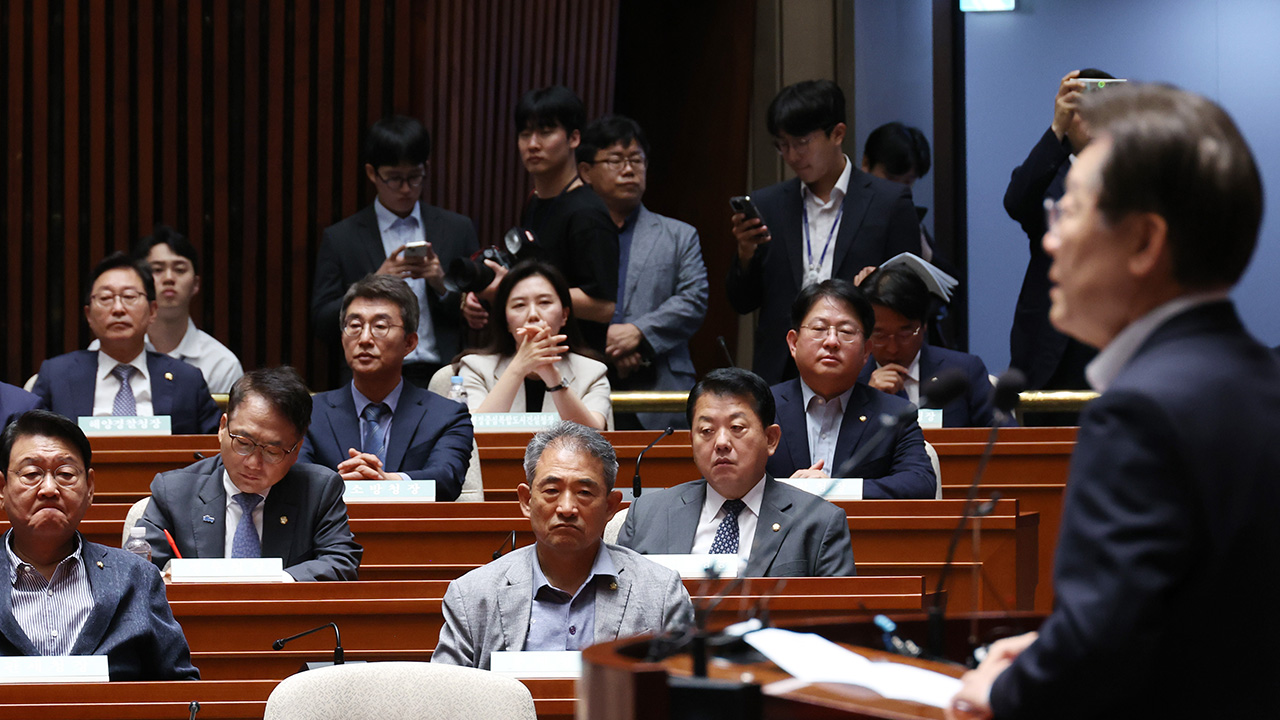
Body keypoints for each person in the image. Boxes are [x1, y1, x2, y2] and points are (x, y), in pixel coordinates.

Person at [948, 84, 1280, 720]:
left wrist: (1008, 690)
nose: (1050, 240)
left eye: (1069, 210)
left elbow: (1101, 651)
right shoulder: (1258, 379)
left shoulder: (1139, 415)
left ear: (1144, 243)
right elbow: (1209, 615)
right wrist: (1051, 648)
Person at [432, 421, 693, 670]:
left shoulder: (660, 591)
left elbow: (687, 690)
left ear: (610, 506)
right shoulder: (473, 596)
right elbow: (447, 695)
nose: (567, 508)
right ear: (526, 501)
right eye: (552, 490)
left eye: (584, 493)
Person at [727, 80, 919, 384]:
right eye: (782, 145)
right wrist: (745, 254)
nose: (792, 155)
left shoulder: (889, 202)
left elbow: (912, 298)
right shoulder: (769, 205)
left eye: (802, 143)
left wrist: (879, 285)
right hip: (782, 370)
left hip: (858, 367)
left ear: (838, 134)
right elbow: (743, 303)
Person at [0, 410, 198, 680]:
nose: (49, 488)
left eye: (65, 473)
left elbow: (180, 688)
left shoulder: (136, 577)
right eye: (32, 473)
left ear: (90, 488)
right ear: (3, 488)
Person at [618, 368, 855, 576]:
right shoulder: (646, 516)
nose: (721, 442)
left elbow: (836, 611)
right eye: (707, 430)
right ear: (692, 442)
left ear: (771, 439)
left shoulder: (819, 522)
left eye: (737, 427)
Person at [137, 367, 362, 581]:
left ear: (296, 450)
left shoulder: (318, 491)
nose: (254, 463)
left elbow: (340, 561)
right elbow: (136, 567)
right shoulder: (175, 491)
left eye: (272, 451)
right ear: (222, 428)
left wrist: (277, 582)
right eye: (243, 443)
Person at [312, 115, 480, 387]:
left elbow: (479, 314)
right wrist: (372, 283)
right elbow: (322, 322)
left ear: (425, 168)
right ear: (372, 173)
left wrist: (442, 283)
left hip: (443, 373)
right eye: (394, 178)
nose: (405, 189)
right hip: (369, 375)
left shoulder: (457, 228)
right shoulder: (341, 238)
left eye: (414, 177)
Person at [462, 86, 619, 355]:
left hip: (575, 358)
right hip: (533, 352)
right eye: (525, 134)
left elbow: (603, 307)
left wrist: (512, 290)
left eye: (545, 132)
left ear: (574, 138)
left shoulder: (587, 213)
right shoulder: (535, 200)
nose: (533, 144)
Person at [576, 114, 708, 430]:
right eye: (615, 160)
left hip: (661, 386)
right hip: (582, 382)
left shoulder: (679, 235)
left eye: (636, 160)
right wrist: (606, 341)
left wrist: (638, 333)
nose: (629, 169)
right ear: (586, 172)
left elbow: (694, 299)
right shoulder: (573, 236)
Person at [300, 275, 473, 501]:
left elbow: (446, 479)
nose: (364, 339)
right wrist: (338, 486)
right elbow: (295, 477)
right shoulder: (308, 413)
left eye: (380, 326)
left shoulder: (447, 416)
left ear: (409, 343)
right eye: (355, 326)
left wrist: (388, 483)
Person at [766, 280, 935, 497]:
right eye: (819, 329)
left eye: (846, 331)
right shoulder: (762, 408)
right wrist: (786, 492)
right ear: (793, 343)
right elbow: (735, 481)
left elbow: (920, 484)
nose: (832, 341)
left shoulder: (896, 414)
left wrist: (835, 489)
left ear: (866, 351)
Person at [1003, 69, 1114, 396]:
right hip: (1050, 343)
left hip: (1113, 335)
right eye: (1081, 108)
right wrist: (1056, 128)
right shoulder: (1046, 172)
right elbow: (1015, 203)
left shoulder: (1135, 175)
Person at [32, 253, 220, 434]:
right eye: (105, 298)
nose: (118, 309)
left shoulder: (187, 380)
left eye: (129, 297)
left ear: (153, 310)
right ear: (88, 315)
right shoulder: (56, 376)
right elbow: (30, 441)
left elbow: (215, 446)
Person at [457, 261, 611, 431]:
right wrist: (519, 367)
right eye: (519, 305)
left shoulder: (592, 372)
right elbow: (473, 435)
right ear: (506, 321)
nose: (533, 315)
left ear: (564, 315)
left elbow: (594, 436)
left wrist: (554, 380)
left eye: (544, 303)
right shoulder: (475, 368)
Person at [88, 226, 243, 393]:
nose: (169, 278)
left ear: (196, 284)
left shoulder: (221, 364)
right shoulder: (103, 350)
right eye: (157, 269)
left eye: (180, 270)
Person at [858, 265, 1004, 428]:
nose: (893, 348)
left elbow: (1007, 436)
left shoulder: (964, 372)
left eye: (905, 333)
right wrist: (870, 401)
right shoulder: (851, 381)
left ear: (924, 325)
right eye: (880, 335)